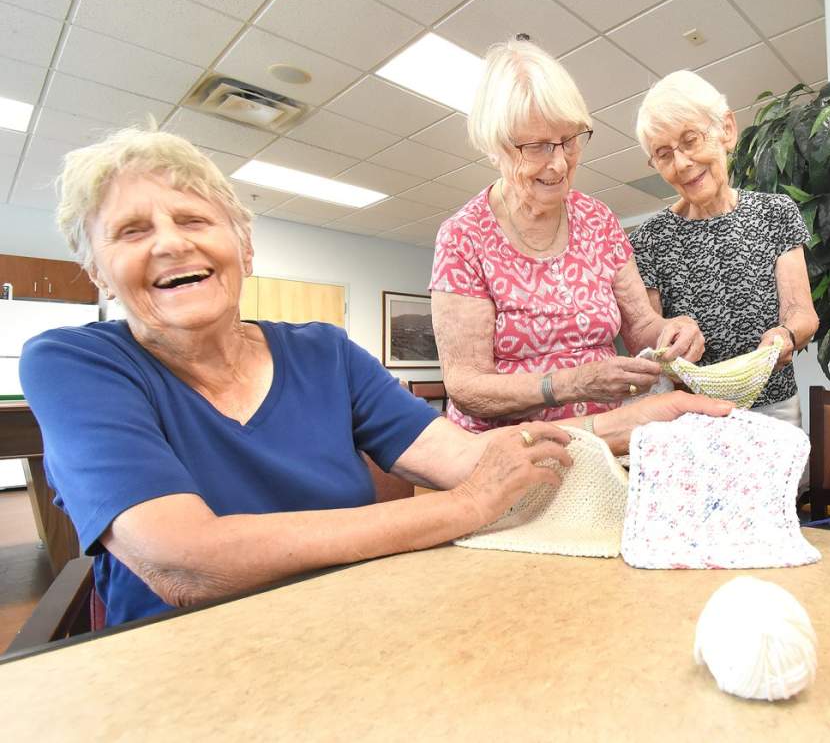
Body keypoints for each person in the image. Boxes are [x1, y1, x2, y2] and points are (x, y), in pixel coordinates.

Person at [20, 127, 734, 626]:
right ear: (96, 271)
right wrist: (458, 513)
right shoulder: (75, 364)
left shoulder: (324, 354)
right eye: (131, 231)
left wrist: (633, 421)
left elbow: (462, 458)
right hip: (185, 659)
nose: (172, 242)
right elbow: (185, 565)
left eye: (192, 219)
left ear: (242, 244)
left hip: (356, 621)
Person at [429, 39, 704, 434]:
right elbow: (467, 387)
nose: (559, 163)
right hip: (510, 450)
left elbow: (640, 325)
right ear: (497, 148)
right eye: (537, 146)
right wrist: (573, 383)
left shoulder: (599, 220)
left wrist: (672, 332)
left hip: (604, 439)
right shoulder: (463, 238)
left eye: (570, 139)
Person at [631, 71, 819, 426]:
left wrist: (786, 335)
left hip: (775, 408)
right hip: (692, 415)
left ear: (726, 130)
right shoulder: (648, 239)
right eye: (663, 154)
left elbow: (802, 313)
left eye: (690, 140)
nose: (682, 162)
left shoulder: (775, 213)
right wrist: (670, 343)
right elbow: (648, 333)